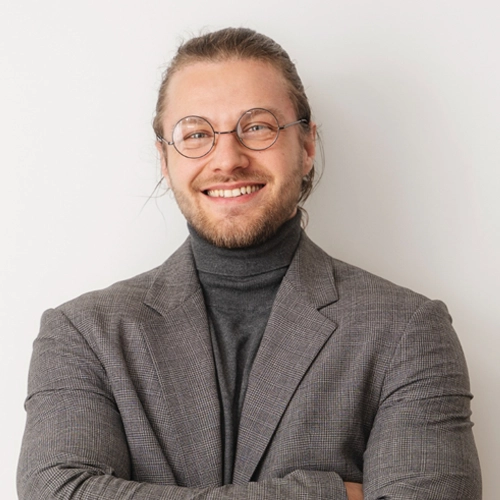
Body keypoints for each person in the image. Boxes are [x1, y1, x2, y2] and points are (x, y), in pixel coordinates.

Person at [18, 28, 481, 500]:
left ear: (306, 146)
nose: (227, 160)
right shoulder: (82, 334)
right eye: (196, 134)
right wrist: (328, 494)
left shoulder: (407, 331)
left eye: (257, 127)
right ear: (165, 159)